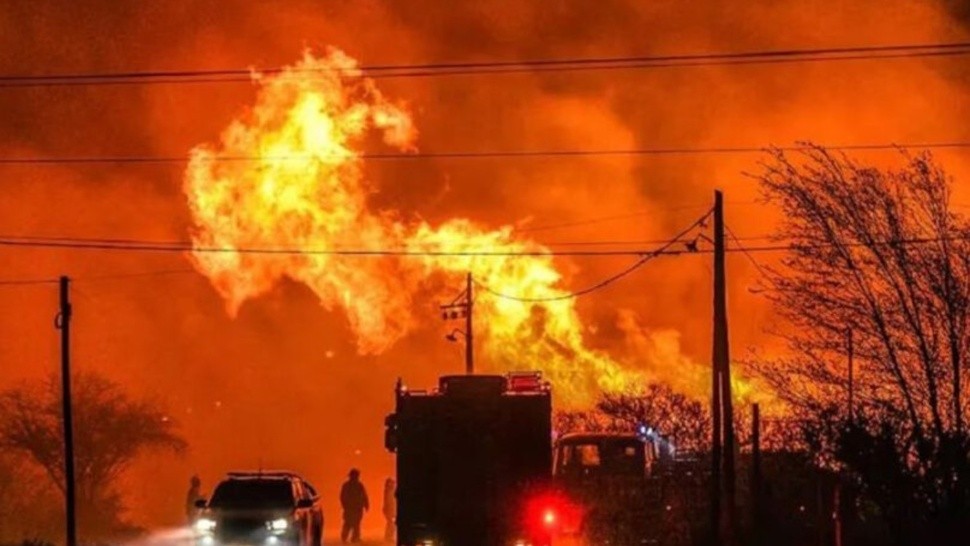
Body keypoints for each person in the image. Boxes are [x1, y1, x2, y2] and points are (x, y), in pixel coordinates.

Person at [340, 468, 369, 543]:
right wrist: (345, 505)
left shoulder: (359, 485)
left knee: (356, 523)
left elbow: (364, 495)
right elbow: (343, 497)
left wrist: (366, 504)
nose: (357, 477)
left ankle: (355, 538)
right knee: (348, 523)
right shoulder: (347, 485)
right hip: (350, 508)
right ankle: (345, 538)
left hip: (357, 508)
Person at [382, 477, 396, 543]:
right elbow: (388, 501)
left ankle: (388, 537)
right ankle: (388, 537)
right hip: (390, 510)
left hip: (391, 510)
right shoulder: (389, 491)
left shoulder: (389, 491)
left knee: (391, 524)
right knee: (391, 524)